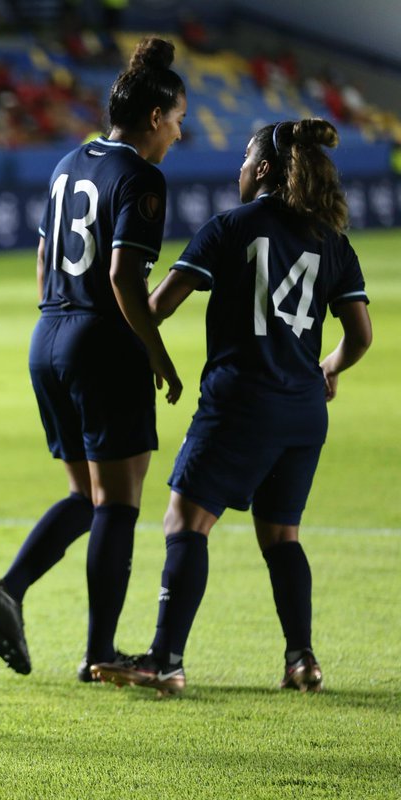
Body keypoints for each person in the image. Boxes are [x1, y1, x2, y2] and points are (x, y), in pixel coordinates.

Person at [93, 119, 372, 696]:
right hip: (303, 413)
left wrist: (136, 336)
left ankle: (165, 660)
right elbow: (361, 335)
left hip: (239, 404)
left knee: (185, 523)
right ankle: (302, 660)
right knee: (282, 536)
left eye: (246, 160)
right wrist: (329, 367)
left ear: (264, 169)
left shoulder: (229, 227)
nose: (239, 169)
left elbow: (159, 305)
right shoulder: (332, 241)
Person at [0, 37, 186, 681]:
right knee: (119, 502)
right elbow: (124, 277)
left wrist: (60, 315)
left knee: (83, 494)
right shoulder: (143, 179)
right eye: (177, 120)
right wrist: (158, 353)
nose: (180, 132)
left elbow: (45, 258)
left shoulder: (69, 162)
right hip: (103, 343)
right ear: (154, 118)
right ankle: (99, 652)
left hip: (49, 336)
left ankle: (10, 587)